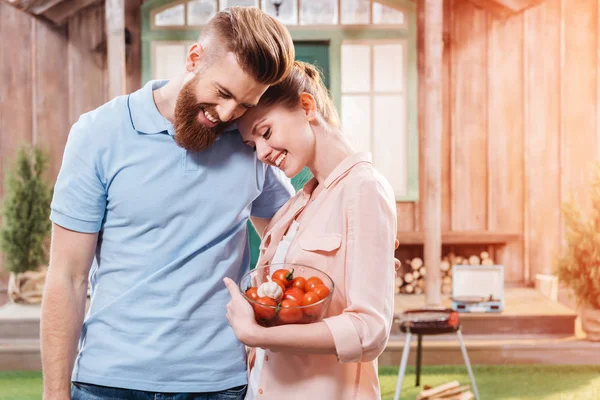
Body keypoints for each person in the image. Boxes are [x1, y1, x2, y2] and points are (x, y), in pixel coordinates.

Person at [40, 7, 296, 400]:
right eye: (224, 93)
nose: (228, 114)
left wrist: (354, 247)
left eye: (245, 105)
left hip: (218, 385)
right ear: (194, 58)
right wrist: (54, 395)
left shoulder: (250, 147)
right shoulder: (99, 133)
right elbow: (67, 278)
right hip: (108, 383)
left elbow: (292, 237)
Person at [223, 61, 398, 400]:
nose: (261, 153)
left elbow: (369, 331)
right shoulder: (296, 205)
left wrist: (256, 335)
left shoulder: (364, 189)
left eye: (266, 132)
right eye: (251, 145)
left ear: (306, 107)